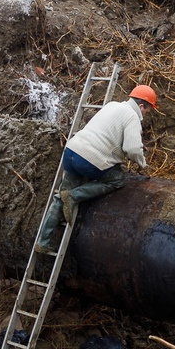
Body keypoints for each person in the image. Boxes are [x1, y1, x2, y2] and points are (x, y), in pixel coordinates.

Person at [34, 84, 156, 254]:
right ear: (141, 105)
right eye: (147, 110)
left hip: (71, 152)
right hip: (89, 160)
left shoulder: (112, 105)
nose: (145, 114)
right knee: (117, 180)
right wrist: (142, 163)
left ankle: (42, 241)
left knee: (59, 197)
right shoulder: (132, 117)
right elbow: (133, 148)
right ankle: (74, 196)